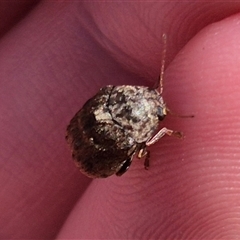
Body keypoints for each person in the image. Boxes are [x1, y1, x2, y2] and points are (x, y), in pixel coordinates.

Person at [1, 1, 240, 239]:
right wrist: (166, 132)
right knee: (138, 152)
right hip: (92, 154)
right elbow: (140, 144)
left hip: (92, 129)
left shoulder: (113, 95)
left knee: (138, 148)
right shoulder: (126, 129)